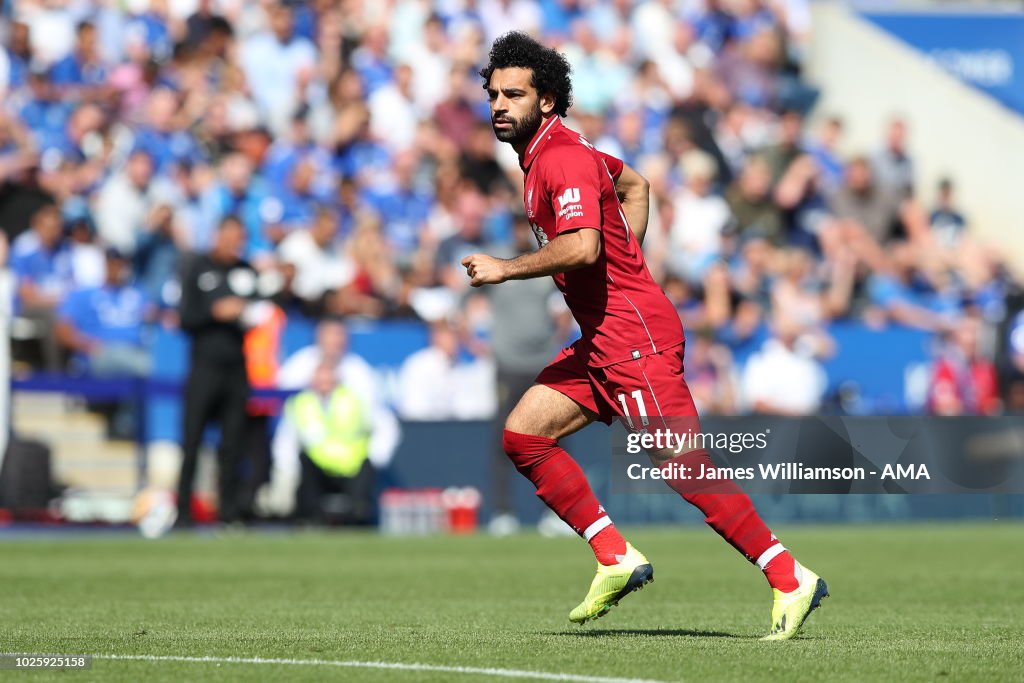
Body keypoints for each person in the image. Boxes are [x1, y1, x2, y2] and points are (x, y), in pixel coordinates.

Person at [461, 32, 826, 638]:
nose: (499, 104)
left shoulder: (562, 158)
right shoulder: (550, 154)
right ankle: (615, 556)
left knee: (684, 467)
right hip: (604, 338)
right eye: (494, 93)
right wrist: (628, 263)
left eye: (514, 94)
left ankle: (790, 577)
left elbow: (582, 246)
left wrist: (506, 268)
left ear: (546, 100)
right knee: (525, 435)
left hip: (634, 339)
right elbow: (638, 186)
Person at [176, 216, 265, 527]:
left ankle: (228, 511)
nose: (233, 243)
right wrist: (214, 313)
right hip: (204, 365)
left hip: (236, 367)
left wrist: (247, 313)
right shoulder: (198, 267)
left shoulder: (246, 271)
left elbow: (261, 307)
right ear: (217, 235)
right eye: (228, 236)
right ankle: (183, 511)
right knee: (192, 440)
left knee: (233, 443)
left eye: (238, 237)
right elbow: (185, 317)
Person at [266, 362, 374, 525]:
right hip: (318, 467)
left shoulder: (353, 399)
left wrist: (376, 455)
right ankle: (310, 517)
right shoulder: (301, 403)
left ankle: (359, 516)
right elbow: (286, 440)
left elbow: (381, 426)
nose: (324, 384)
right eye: (320, 379)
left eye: (328, 379)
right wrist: (286, 469)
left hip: (351, 466)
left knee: (361, 494)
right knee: (304, 465)